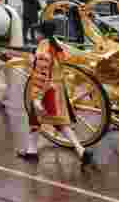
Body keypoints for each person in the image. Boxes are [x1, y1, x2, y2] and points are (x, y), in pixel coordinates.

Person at [17, 19, 93, 164]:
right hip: (58, 89)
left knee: (37, 120)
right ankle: (80, 150)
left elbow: (42, 72)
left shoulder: (43, 48)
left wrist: (38, 97)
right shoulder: (56, 44)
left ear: (41, 33)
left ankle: (32, 151)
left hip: (46, 91)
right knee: (58, 122)